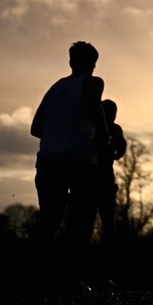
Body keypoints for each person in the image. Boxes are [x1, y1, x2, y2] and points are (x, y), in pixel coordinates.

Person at [30, 41, 110, 288]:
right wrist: (104, 144)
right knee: (83, 219)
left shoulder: (55, 87)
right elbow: (98, 117)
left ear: (70, 61)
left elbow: (35, 128)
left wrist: (58, 134)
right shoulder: (93, 83)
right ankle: (69, 276)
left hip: (48, 160)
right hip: (80, 161)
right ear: (93, 63)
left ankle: (36, 275)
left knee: (49, 219)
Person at [95, 99, 127, 284]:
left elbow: (121, 149)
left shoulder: (111, 129)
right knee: (106, 227)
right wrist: (114, 154)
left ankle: (102, 273)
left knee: (103, 227)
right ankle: (102, 273)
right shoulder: (112, 129)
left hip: (95, 180)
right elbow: (121, 149)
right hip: (100, 180)